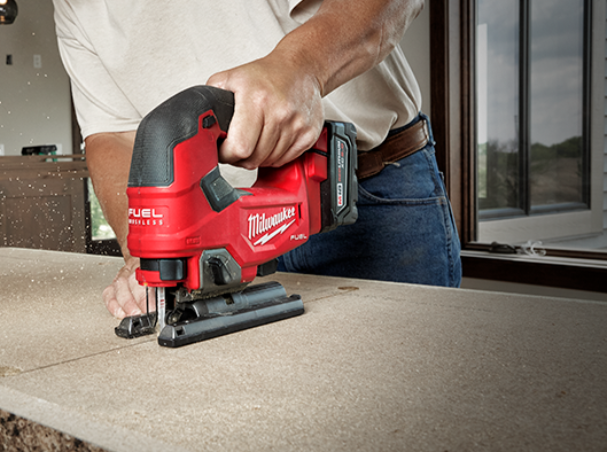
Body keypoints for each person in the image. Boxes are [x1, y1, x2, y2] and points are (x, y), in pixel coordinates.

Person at [52, 0, 462, 320]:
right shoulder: (73, 7)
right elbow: (112, 134)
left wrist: (302, 67)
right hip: (222, 224)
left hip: (366, 188)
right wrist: (148, 248)